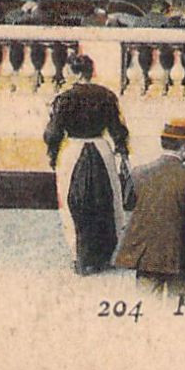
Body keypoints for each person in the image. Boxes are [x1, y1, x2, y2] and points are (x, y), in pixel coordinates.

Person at [43, 53, 130, 275]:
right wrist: (121, 151)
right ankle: (107, 256)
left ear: (74, 72)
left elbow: (53, 133)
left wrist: (52, 155)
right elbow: (118, 129)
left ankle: (79, 257)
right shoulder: (106, 96)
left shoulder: (64, 98)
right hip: (101, 149)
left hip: (73, 151)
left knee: (72, 202)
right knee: (108, 201)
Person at [114, 119, 185, 295]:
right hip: (179, 255)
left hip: (146, 255)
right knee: (175, 308)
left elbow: (128, 203)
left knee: (147, 309)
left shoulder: (139, 173)